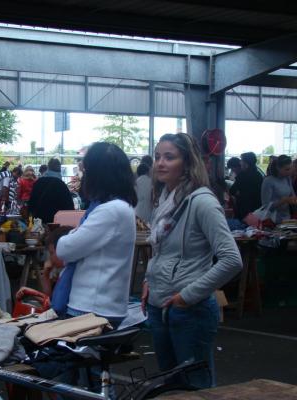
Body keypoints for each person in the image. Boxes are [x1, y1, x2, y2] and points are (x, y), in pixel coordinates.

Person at [141, 133, 242, 388]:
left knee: (196, 388)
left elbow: (231, 259)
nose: (160, 163)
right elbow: (161, 250)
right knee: (171, 387)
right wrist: (148, 281)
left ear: (187, 163)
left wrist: (187, 296)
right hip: (160, 306)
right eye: (157, 157)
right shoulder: (165, 199)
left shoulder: (202, 202)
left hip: (189, 311)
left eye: (169, 157)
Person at [56, 142, 137, 327]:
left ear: (97, 174)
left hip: (92, 308)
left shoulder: (110, 210)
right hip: (102, 305)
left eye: (86, 170)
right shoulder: (119, 207)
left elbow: (65, 249)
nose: (84, 176)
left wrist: (71, 233)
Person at [28, 158, 74, 223]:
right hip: (55, 221)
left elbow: (32, 202)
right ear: (59, 168)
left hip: (39, 219)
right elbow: (69, 206)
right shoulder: (61, 184)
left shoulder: (38, 182)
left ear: (48, 167)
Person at [261, 154, 297, 223]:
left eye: (291, 168)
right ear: (278, 168)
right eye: (287, 169)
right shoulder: (268, 181)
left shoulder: (287, 178)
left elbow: (293, 196)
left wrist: (293, 200)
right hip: (272, 220)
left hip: (286, 218)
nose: (290, 171)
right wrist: (283, 201)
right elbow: (265, 206)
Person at [229, 152, 263, 220]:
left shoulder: (242, 176)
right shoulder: (259, 175)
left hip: (244, 211)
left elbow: (232, 191)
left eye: (241, 160)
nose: (240, 163)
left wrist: (239, 194)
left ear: (246, 163)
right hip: (257, 210)